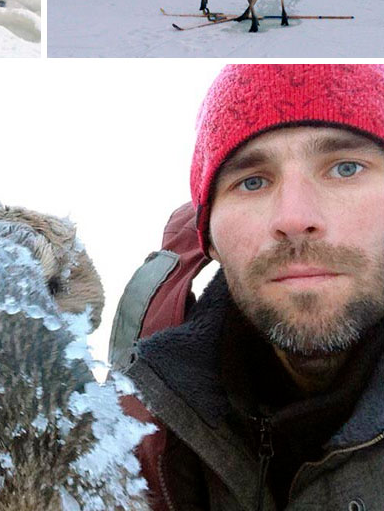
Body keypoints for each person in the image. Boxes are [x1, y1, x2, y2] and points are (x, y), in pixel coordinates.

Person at [119, 63, 384, 508]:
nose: (295, 218)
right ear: (211, 238)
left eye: (345, 168)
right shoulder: (139, 434)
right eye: (253, 181)